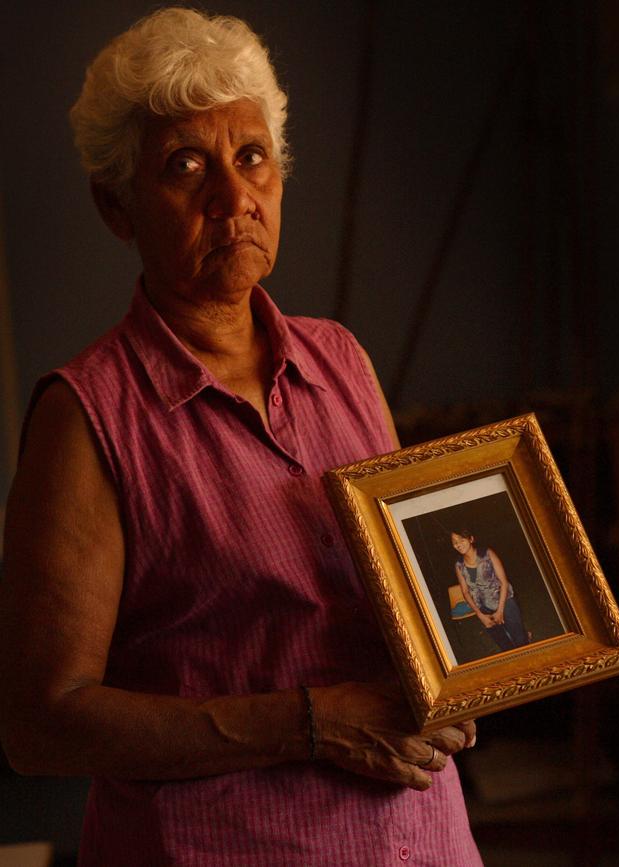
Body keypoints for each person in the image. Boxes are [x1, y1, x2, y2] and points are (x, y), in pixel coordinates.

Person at [0, 8, 483, 865]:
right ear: (116, 206)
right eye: (186, 166)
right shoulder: (87, 416)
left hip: (422, 840)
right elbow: (42, 724)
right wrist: (310, 724)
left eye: (251, 156)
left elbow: (408, 602)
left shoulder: (341, 359)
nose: (233, 198)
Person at [451, 528, 530, 652]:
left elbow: (503, 582)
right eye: (455, 542)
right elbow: (465, 592)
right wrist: (480, 614)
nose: (458, 544)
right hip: (483, 608)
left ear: (471, 539)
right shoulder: (459, 564)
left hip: (504, 602)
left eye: (461, 539)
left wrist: (500, 611)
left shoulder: (487, 554)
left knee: (520, 641)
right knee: (504, 645)